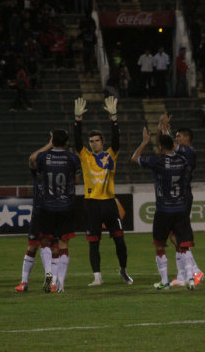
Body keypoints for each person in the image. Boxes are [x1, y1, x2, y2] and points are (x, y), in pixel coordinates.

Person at [73, 97, 132, 286]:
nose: (93, 143)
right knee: (93, 242)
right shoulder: (85, 156)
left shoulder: (110, 154)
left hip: (109, 203)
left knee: (120, 240)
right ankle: (97, 277)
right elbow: (76, 140)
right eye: (91, 141)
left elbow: (116, 140)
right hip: (91, 204)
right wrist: (78, 120)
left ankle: (123, 270)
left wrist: (113, 118)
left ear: (102, 142)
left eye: (97, 141)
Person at [131, 128, 195, 290]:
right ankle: (190, 278)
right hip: (180, 208)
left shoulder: (157, 161)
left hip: (163, 210)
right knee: (184, 245)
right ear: (173, 145)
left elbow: (135, 158)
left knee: (159, 245)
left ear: (160, 147)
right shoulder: (183, 161)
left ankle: (165, 281)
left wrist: (145, 141)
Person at [157, 115, 204, 288]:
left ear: (187, 139)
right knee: (174, 235)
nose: (176, 138)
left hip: (182, 197)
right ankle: (183, 273)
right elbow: (167, 145)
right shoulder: (182, 151)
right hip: (177, 197)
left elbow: (171, 145)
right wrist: (163, 128)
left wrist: (165, 128)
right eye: (175, 136)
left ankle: (193, 271)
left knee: (179, 236)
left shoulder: (189, 151)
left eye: (179, 136)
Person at [34, 129, 81, 293]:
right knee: (63, 244)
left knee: (45, 241)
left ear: (52, 141)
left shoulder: (43, 157)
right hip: (66, 205)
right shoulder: (72, 158)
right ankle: (60, 282)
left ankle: (49, 273)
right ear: (67, 142)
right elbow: (76, 179)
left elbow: (38, 173)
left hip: (47, 205)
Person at [15, 136, 53, 293]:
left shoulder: (45, 171)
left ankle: (26, 282)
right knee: (42, 244)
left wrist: (49, 144)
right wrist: (52, 144)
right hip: (47, 210)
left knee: (35, 246)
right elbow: (32, 159)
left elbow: (32, 157)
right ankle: (48, 276)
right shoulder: (41, 171)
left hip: (43, 210)